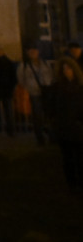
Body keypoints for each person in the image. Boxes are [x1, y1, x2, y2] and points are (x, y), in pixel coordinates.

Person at [49, 57, 83, 192]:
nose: (66, 71)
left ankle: (80, 183)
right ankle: (72, 184)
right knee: (67, 158)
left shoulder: (80, 87)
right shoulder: (58, 87)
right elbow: (52, 106)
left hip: (78, 127)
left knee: (80, 158)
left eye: (68, 68)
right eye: (63, 69)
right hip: (64, 127)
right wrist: (55, 120)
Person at [18, 46, 55, 146]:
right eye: (31, 51)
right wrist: (29, 88)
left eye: (35, 51)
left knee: (49, 115)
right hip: (34, 93)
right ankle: (40, 138)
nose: (33, 53)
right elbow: (21, 79)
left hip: (46, 92)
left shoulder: (45, 63)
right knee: (38, 116)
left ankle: (52, 137)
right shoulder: (24, 65)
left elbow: (51, 76)